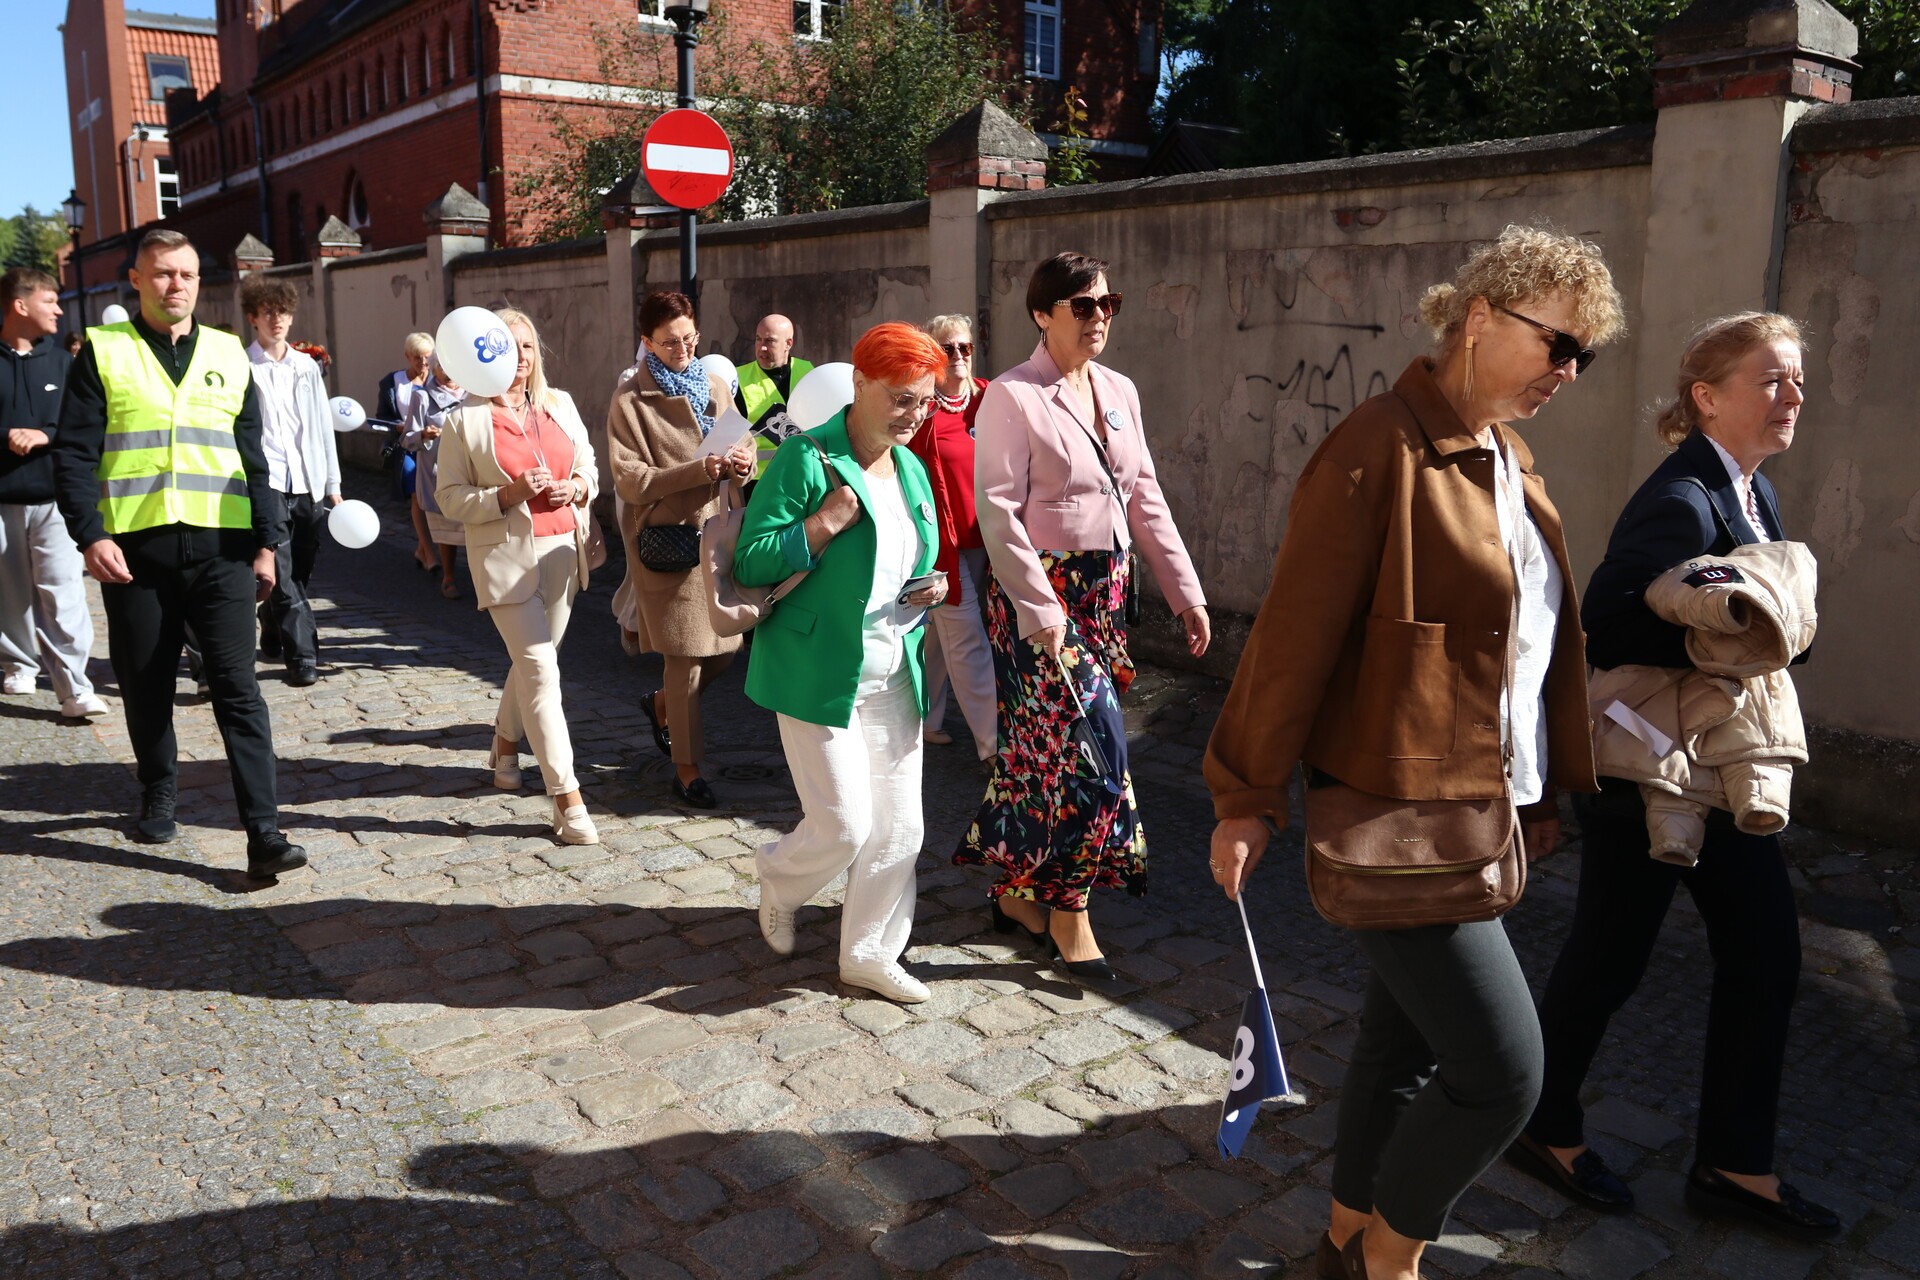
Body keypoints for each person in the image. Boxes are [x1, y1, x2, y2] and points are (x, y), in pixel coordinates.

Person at [1203, 225, 1623, 1280]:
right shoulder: (1378, 449)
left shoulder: (1507, 458)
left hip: (1477, 807)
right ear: (1479, 317)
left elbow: (1519, 645)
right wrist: (1246, 794)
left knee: (1399, 1047)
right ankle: (1388, 1261)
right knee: (1504, 1072)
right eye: (1558, 343)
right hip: (1396, 814)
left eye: (1586, 355)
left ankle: (1346, 1238)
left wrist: (1541, 787)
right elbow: (1293, 635)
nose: (1569, 371)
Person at [1515, 313, 1840, 1237]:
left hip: (1714, 770)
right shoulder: (1685, 498)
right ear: (1708, 397)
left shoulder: (1749, 489)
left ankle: (1735, 1165)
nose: (1793, 395)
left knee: (1763, 958)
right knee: (1609, 959)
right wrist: (1729, 629)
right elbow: (1611, 621)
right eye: (1771, 379)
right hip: (1649, 773)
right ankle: (1543, 1125)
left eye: (1797, 379)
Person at [956, 252, 1210, 980]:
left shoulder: (1120, 389)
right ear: (1043, 314)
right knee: (1100, 756)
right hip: (1041, 599)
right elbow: (998, 513)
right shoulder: (1013, 396)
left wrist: (1186, 592)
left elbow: (1144, 495)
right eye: (1083, 305)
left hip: (1106, 600)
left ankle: (1016, 895)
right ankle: (1070, 912)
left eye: (1108, 303)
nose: (1100, 317)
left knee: (1044, 756)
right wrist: (1040, 608)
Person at [50, 229, 306, 879]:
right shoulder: (105, 351)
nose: (177, 285)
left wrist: (268, 545)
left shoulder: (227, 352)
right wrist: (90, 535)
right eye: (163, 273)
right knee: (147, 685)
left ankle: (264, 832)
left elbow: (254, 459)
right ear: (137, 280)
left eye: (187, 274)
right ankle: (158, 788)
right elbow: (75, 454)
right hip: (135, 554)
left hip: (222, 552)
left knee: (238, 689)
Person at [736, 322, 948, 1003]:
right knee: (844, 824)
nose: (914, 414)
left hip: (894, 670)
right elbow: (751, 559)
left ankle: (868, 954)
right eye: (901, 398)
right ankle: (778, 876)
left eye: (924, 401)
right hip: (818, 668)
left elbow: (915, 554)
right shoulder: (807, 457)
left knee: (902, 828)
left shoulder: (910, 466)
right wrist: (823, 523)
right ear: (859, 382)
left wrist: (933, 583)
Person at [436, 307, 601, 846]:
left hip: (563, 553)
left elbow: (589, 466)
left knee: (534, 664)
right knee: (541, 673)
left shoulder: (560, 404)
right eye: (508, 346)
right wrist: (508, 494)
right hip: (505, 562)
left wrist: (577, 487)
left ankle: (505, 748)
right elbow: (449, 497)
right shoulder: (465, 420)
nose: (520, 357)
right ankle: (568, 800)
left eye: (528, 346)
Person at [607, 291, 754, 809]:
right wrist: (697, 471)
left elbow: (743, 440)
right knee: (685, 658)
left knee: (728, 646)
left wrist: (741, 463)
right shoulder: (630, 401)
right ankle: (687, 770)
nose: (684, 350)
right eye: (670, 342)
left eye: (690, 339)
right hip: (668, 541)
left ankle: (662, 704)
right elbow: (630, 480)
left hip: (718, 534)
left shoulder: (713, 384)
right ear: (647, 342)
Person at [0, 268, 106, 718]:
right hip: (2, 499)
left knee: (63, 592)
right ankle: (18, 664)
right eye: (50, 301)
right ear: (20, 305)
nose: (60, 310)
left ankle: (75, 689)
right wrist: (7, 435)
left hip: (53, 499)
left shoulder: (65, 363)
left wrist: (44, 434)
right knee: (9, 594)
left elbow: (84, 425)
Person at [240, 277, 341, 687]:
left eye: (282, 311)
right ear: (253, 317)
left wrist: (332, 484)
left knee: (300, 568)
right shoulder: (244, 367)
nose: (276, 319)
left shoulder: (306, 367)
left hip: (307, 479)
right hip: (267, 481)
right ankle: (303, 656)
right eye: (267, 312)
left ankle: (270, 617)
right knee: (282, 572)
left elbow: (322, 426)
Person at [907, 313, 994, 758]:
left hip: (987, 539)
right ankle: (993, 745)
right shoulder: (921, 409)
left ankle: (926, 718)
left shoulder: (990, 398)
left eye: (965, 347)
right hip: (942, 543)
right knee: (967, 637)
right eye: (947, 348)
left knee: (942, 637)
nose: (958, 354)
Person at [401, 356, 467, 599]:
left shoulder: (473, 394)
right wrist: (423, 435)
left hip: (469, 470)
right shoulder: (422, 397)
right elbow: (406, 439)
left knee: (476, 526)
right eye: (442, 367)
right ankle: (448, 577)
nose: (448, 373)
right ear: (434, 370)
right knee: (447, 526)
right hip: (438, 472)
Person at [379, 333, 437, 572]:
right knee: (417, 494)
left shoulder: (438, 379)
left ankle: (422, 548)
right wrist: (398, 426)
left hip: (432, 447)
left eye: (427, 357)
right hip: (407, 447)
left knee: (431, 496)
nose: (423, 363)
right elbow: (382, 417)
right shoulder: (394, 382)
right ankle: (430, 554)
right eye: (417, 357)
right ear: (407, 356)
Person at [734, 313, 813, 477]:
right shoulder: (738, 379)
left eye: (769, 341)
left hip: (804, 473)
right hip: (759, 479)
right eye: (758, 339)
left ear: (788, 343)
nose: (762, 347)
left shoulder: (809, 372)